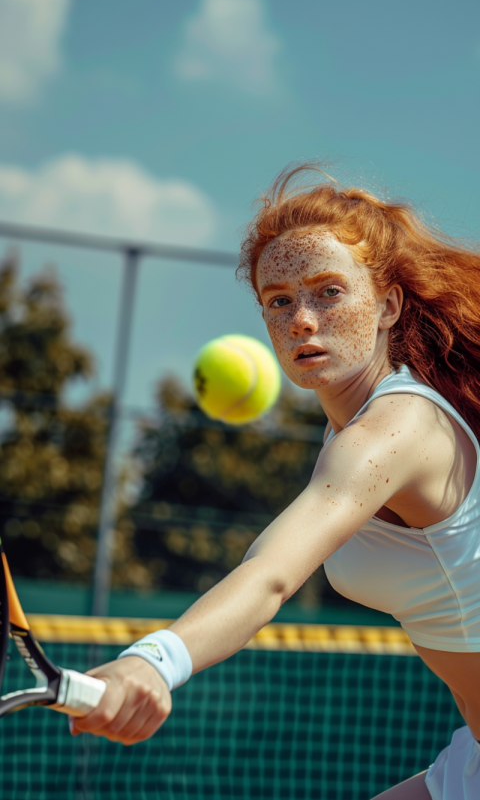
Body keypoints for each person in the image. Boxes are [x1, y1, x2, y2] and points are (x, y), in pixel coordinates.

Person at [72, 165, 480, 799]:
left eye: (328, 291)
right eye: (279, 300)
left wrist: (153, 660)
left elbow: (271, 573)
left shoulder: (398, 426)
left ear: (388, 306)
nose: (302, 320)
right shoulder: (355, 428)